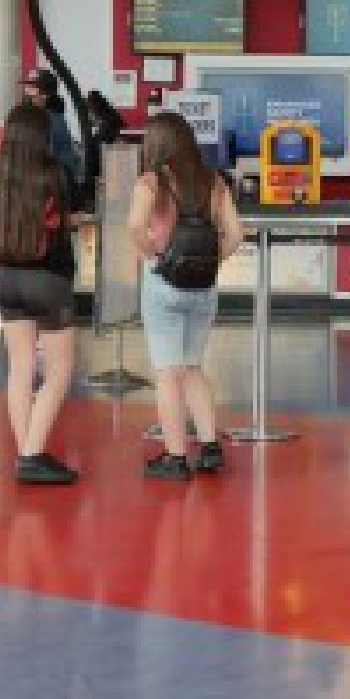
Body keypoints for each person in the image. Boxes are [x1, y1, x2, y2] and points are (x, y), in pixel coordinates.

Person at [127, 111, 243, 480]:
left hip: (164, 284)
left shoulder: (150, 182)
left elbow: (133, 226)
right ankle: (209, 448)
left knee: (167, 374)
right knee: (193, 368)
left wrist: (156, 258)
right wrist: (211, 260)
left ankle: (174, 457)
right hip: (203, 286)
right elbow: (236, 235)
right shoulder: (214, 181)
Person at [0, 103, 82, 486]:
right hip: (48, 281)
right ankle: (32, 454)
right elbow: (66, 224)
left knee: (20, 368)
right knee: (57, 371)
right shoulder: (54, 177)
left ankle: (28, 450)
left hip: (6, 280)